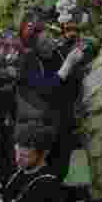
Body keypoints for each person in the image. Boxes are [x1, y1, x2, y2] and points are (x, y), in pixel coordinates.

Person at [13, 14, 87, 183]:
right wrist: (68, 65)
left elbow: (72, 85)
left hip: (63, 123)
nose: (50, 43)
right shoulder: (28, 62)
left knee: (61, 169)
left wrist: (79, 55)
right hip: (39, 127)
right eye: (44, 42)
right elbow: (46, 89)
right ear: (34, 47)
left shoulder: (58, 53)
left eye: (49, 37)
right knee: (41, 171)